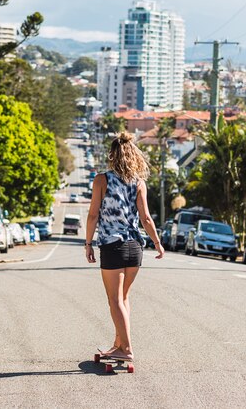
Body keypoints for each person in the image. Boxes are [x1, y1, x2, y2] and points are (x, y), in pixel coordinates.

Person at [85, 131, 165, 362]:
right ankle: (118, 344)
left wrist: (88, 243)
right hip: (135, 248)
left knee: (114, 300)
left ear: (112, 155)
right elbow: (146, 218)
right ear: (133, 155)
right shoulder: (139, 183)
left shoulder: (102, 179)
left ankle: (127, 349)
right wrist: (158, 244)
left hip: (112, 246)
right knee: (124, 298)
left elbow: (92, 215)